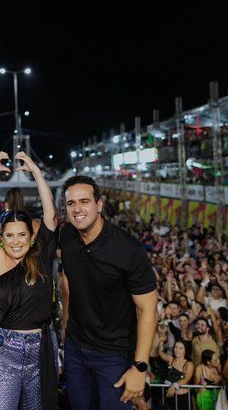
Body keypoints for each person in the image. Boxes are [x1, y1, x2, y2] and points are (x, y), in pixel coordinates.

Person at [60, 175, 158, 408]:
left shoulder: (128, 249)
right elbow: (67, 282)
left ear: (99, 205)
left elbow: (148, 310)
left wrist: (140, 367)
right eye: (71, 203)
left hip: (113, 355)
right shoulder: (66, 236)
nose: (77, 209)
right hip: (75, 349)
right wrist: (66, 329)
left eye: (84, 201)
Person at [0, 151, 59, 410]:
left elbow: (51, 216)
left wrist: (37, 173)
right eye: (9, 235)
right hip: (3, 349)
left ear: (32, 237)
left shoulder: (42, 257)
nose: (15, 241)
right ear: (1, 237)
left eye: (21, 234)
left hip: (41, 348)